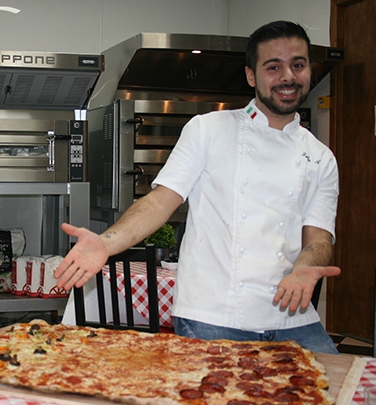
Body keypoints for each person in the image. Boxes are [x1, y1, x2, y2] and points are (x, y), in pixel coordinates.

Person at [54, 20, 341, 354]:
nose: (288, 77)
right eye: (273, 67)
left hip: (292, 315)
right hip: (213, 314)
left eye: (298, 64)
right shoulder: (209, 129)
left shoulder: (321, 158)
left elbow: (319, 239)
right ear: (252, 76)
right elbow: (161, 201)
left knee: (335, 389)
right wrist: (106, 243)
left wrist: (305, 268)